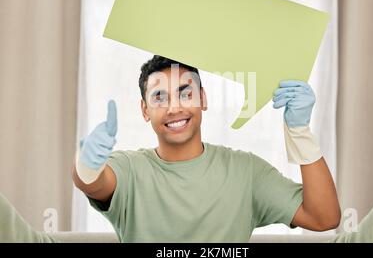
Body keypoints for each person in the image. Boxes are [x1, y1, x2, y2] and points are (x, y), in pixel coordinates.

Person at [72, 55, 340, 242]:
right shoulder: (129, 169)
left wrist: (300, 133)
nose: (174, 107)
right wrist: (87, 163)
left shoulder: (245, 172)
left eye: (185, 93)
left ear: (203, 98)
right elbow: (95, 183)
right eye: (159, 97)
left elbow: (324, 217)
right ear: (145, 110)